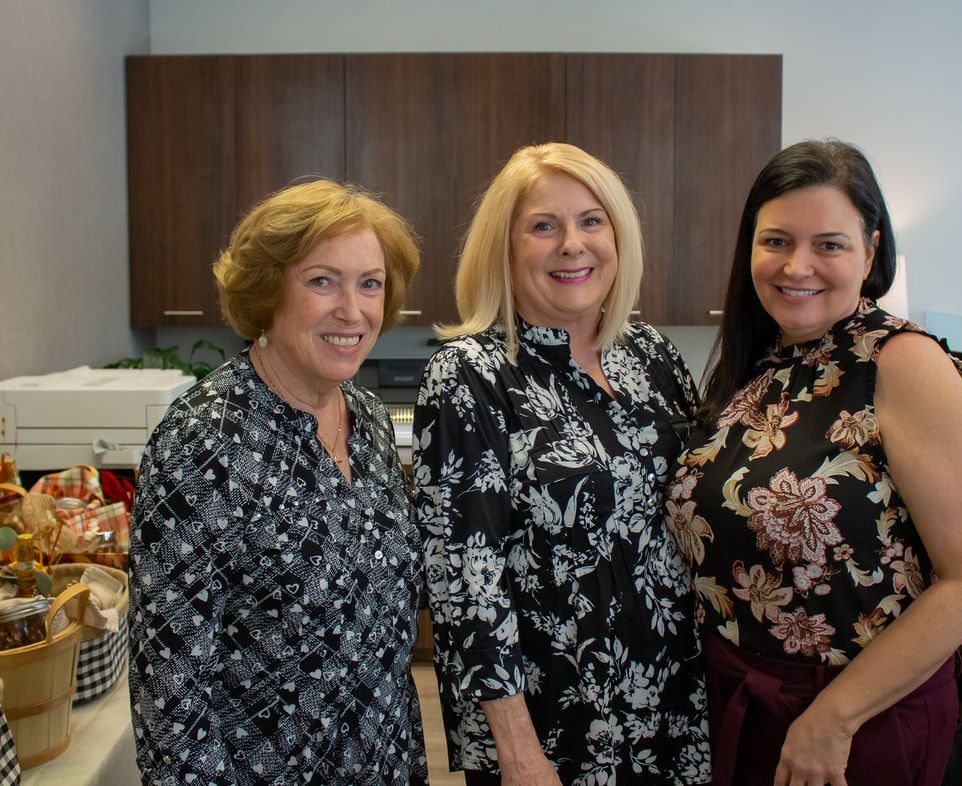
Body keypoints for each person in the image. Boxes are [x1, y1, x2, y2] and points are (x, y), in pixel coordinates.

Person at [664, 139, 962, 786]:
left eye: (829, 243)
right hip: (739, 699)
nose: (798, 266)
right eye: (775, 242)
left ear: (871, 251)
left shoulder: (902, 365)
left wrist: (836, 719)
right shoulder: (759, 363)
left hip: (855, 722)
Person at [413, 142, 710, 785]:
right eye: (543, 226)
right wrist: (518, 750)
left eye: (591, 220)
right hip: (551, 726)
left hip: (671, 707)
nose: (572, 244)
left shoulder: (652, 356)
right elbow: (467, 580)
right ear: (505, 248)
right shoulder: (472, 374)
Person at [129, 179, 427, 785]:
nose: (353, 310)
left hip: (387, 764)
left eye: (369, 283)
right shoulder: (203, 441)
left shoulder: (366, 420)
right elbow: (169, 694)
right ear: (267, 292)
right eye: (322, 281)